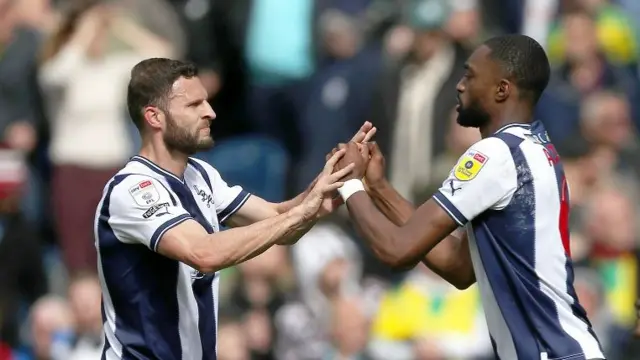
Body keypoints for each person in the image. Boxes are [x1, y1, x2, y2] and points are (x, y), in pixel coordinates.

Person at [330, 34, 606, 360]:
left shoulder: (495, 155)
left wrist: (348, 184)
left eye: (470, 75)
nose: (460, 85)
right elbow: (458, 267)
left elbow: (397, 250)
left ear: (502, 89)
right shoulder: (534, 148)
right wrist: (378, 189)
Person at [94, 58, 374, 359]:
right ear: (154, 117)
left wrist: (327, 189)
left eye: (207, 102)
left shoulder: (200, 174)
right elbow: (203, 253)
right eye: (194, 105)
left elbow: (279, 221)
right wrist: (301, 212)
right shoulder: (133, 190)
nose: (210, 112)